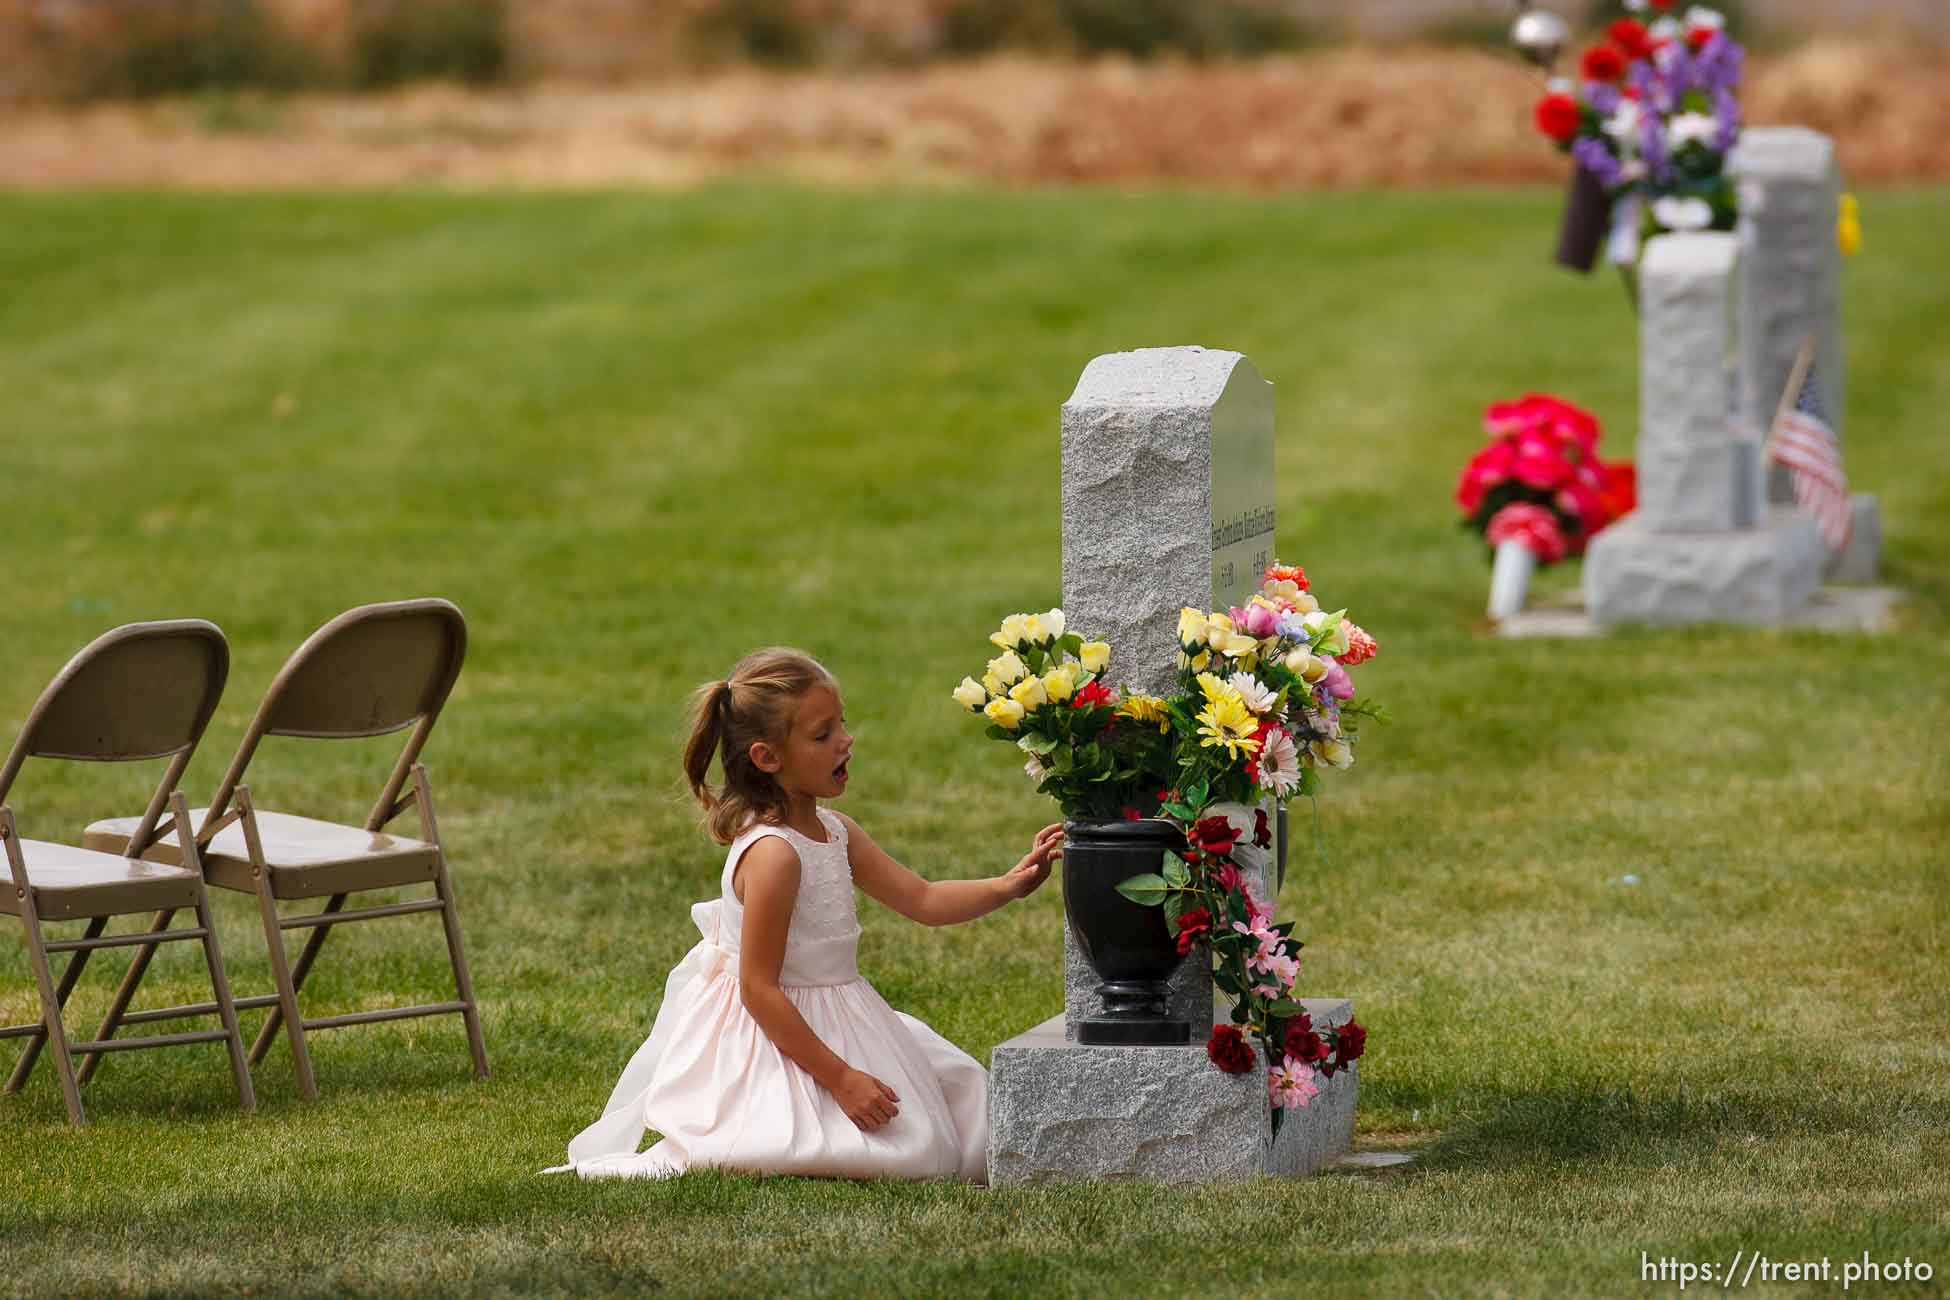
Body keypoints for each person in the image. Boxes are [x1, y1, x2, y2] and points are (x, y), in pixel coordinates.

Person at [550, 647, 1062, 1182]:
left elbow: (924, 899)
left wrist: (1009, 885)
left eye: (841, 723)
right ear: (767, 757)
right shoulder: (774, 855)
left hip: (846, 1013)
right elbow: (759, 989)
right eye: (822, 735)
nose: (845, 739)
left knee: (967, 1099)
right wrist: (841, 1079)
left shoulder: (836, 830)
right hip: (776, 1031)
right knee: (904, 1154)